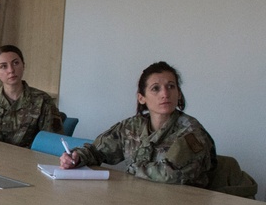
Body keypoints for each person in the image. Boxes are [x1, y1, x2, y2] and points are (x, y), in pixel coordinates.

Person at [60, 61, 218, 187]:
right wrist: (76, 157)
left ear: (179, 93)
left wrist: (133, 168)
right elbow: (97, 151)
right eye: (155, 89)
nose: (165, 94)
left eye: (171, 86)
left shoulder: (191, 131)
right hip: (142, 198)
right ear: (141, 98)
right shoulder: (132, 126)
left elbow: (173, 174)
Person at [0, 45, 63, 148]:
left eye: (15, 63)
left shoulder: (42, 100)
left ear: (23, 65)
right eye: (3, 66)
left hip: (28, 161)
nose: (11, 70)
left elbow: (53, 143)